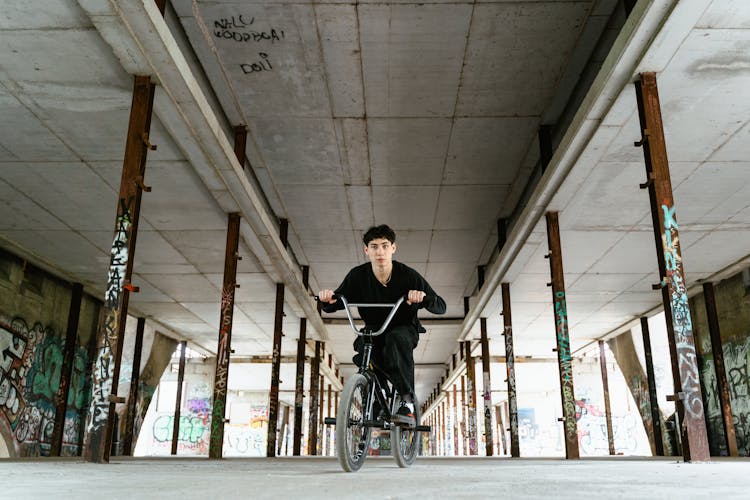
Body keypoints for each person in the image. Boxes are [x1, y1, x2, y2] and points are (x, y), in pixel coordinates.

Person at [318, 224, 446, 423]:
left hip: (404, 327)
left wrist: (423, 297)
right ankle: (380, 394)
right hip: (374, 329)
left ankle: (406, 401)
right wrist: (326, 300)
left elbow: (441, 306)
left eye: (385, 246)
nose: (380, 252)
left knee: (396, 339)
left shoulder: (408, 275)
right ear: (366, 250)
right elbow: (336, 301)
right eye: (374, 246)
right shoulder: (357, 276)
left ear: (393, 248)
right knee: (363, 348)